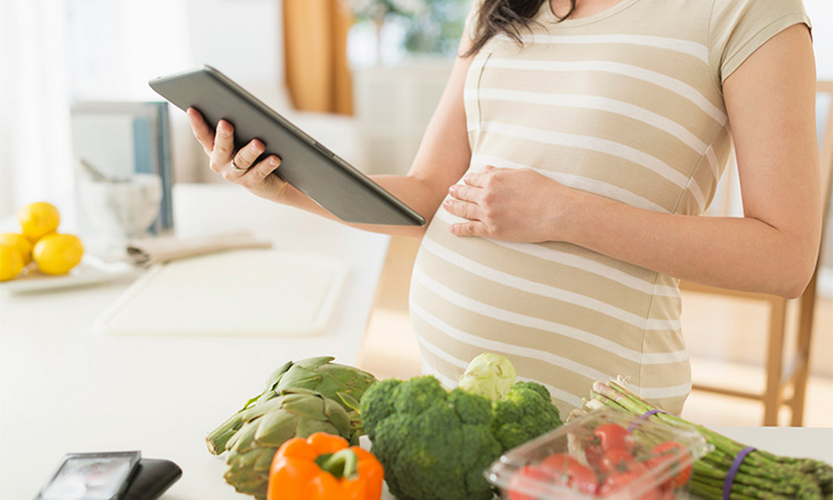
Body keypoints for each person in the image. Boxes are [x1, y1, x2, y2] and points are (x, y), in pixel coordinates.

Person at [187, 0, 821, 416]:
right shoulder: (501, 5)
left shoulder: (745, 10)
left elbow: (786, 256)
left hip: (596, 419)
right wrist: (284, 186)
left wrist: (564, 213)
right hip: (454, 395)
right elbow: (429, 190)